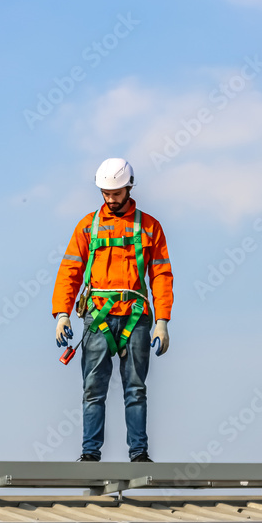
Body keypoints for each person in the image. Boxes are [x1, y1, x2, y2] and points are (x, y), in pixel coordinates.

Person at [51, 158, 173, 463]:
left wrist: (162, 322)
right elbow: (70, 271)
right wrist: (62, 313)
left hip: (135, 316)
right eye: (105, 192)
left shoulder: (149, 227)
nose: (110, 198)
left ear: (129, 187)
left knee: (136, 388)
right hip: (98, 317)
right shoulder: (88, 226)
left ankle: (139, 454)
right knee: (93, 388)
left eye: (116, 193)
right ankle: (90, 454)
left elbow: (161, 275)